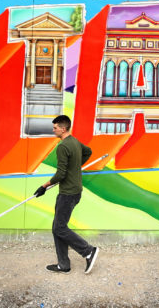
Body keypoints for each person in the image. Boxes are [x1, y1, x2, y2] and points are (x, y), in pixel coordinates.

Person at [35, 115, 99, 274]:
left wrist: (44, 186)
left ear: (63, 129)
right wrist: (75, 166)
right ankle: (63, 264)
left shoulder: (63, 146)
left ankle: (88, 251)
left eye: (55, 127)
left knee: (59, 227)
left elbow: (60, 174)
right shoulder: (75, 141)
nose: (53, 130)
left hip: (67, 193)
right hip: (75, 191)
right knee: (57, 227)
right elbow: (88, 151)